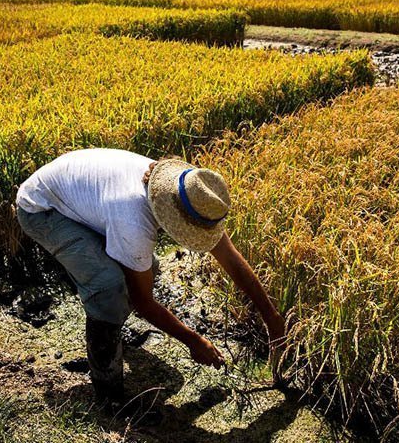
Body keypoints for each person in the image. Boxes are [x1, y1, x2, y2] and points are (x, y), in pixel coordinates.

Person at [14, 148, 286, 405]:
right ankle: (109, 396)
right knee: (109, 287)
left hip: (80, 196)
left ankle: (113, 328)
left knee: (148, 268)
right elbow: (143, 302)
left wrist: (272, 319)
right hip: (42, 209)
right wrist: (194, 341)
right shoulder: (133, 220)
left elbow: (230, 258)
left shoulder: (188, 191)